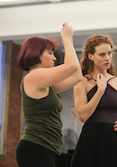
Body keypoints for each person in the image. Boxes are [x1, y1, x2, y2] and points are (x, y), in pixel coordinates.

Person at [16, 22, 82, 167]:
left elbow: (77, 76)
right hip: (36, 148)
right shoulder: (33, 77)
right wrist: (65, 39)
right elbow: (72, 67)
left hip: (48, 149)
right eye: (50, 53)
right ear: (36, 54)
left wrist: (69, 43)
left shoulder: (46, 84)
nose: (54, 58)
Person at [70, 34, 117, 167]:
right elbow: (82, 116)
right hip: (91, 140)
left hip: (115, 141)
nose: (107, 58)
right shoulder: (82, 82)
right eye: (102, 54)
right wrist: (100, 91)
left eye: (109, 53)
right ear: (91, 56)